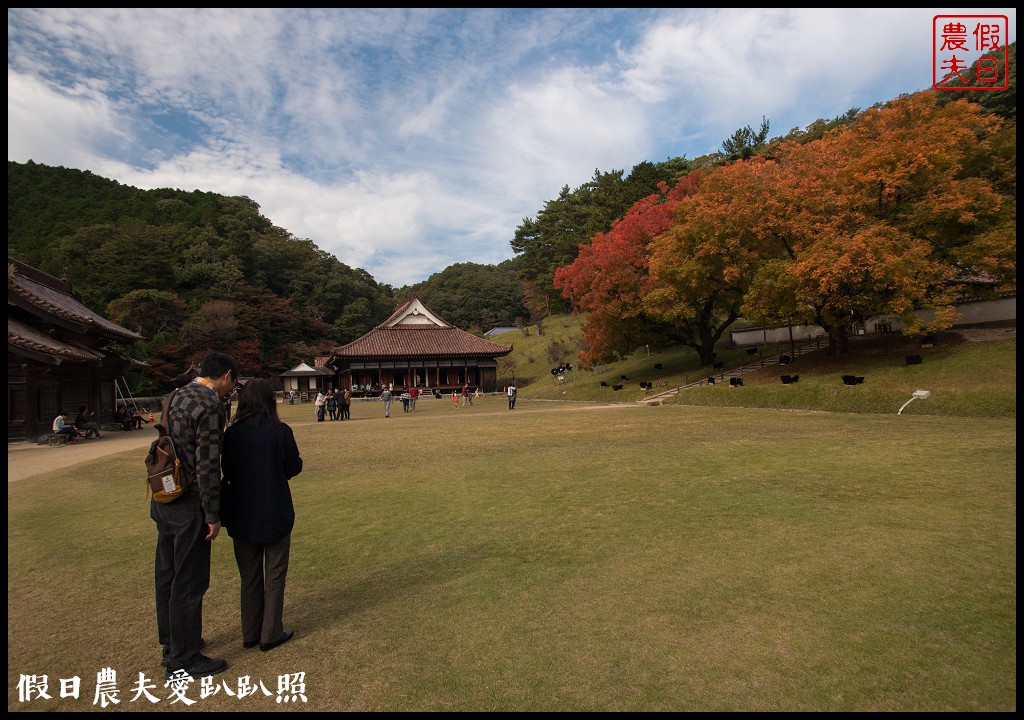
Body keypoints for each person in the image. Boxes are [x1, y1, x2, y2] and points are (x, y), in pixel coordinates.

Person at [153, 350, 237, 680]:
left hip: (165, 495)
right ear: (227, 375)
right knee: (189, 579)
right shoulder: (210, 404)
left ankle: (172, 643)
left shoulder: (175, 396)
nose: (232, 390)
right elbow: (207, 464)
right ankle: (184, 659)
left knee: (168, 574)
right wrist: (213, 514)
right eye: (233, 383)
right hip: (190, 503)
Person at [220, 378, 303, 654]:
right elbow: (293, 467)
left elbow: (227, 472)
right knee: (275, 574)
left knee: (250, 576)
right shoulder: (280, 431)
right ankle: (271, 631)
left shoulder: (231, 435)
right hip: (274, 510)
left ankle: (251, 631)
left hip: (241, 513)